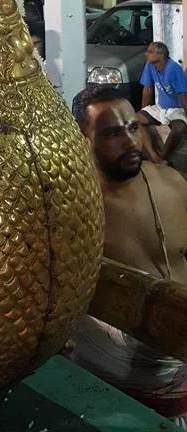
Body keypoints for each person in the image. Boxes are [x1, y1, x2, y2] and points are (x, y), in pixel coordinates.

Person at [71, 86, 187, 426]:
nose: (130, 141)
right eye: (112, 133)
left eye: (133, 127)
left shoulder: (171, 183)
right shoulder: (71, 209)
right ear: (83, 139)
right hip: (112, 393)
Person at [140, 41, 187, 174]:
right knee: (135, 121)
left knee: (179, 128)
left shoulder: (174, 69)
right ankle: (153, 156)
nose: (146, 54)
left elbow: (183, 96)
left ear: (160, 54)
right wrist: (144, 111)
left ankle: (163, 157)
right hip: (161, 108)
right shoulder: (150, 66)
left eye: (150, 51)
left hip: (176, 109)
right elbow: (147, 90)